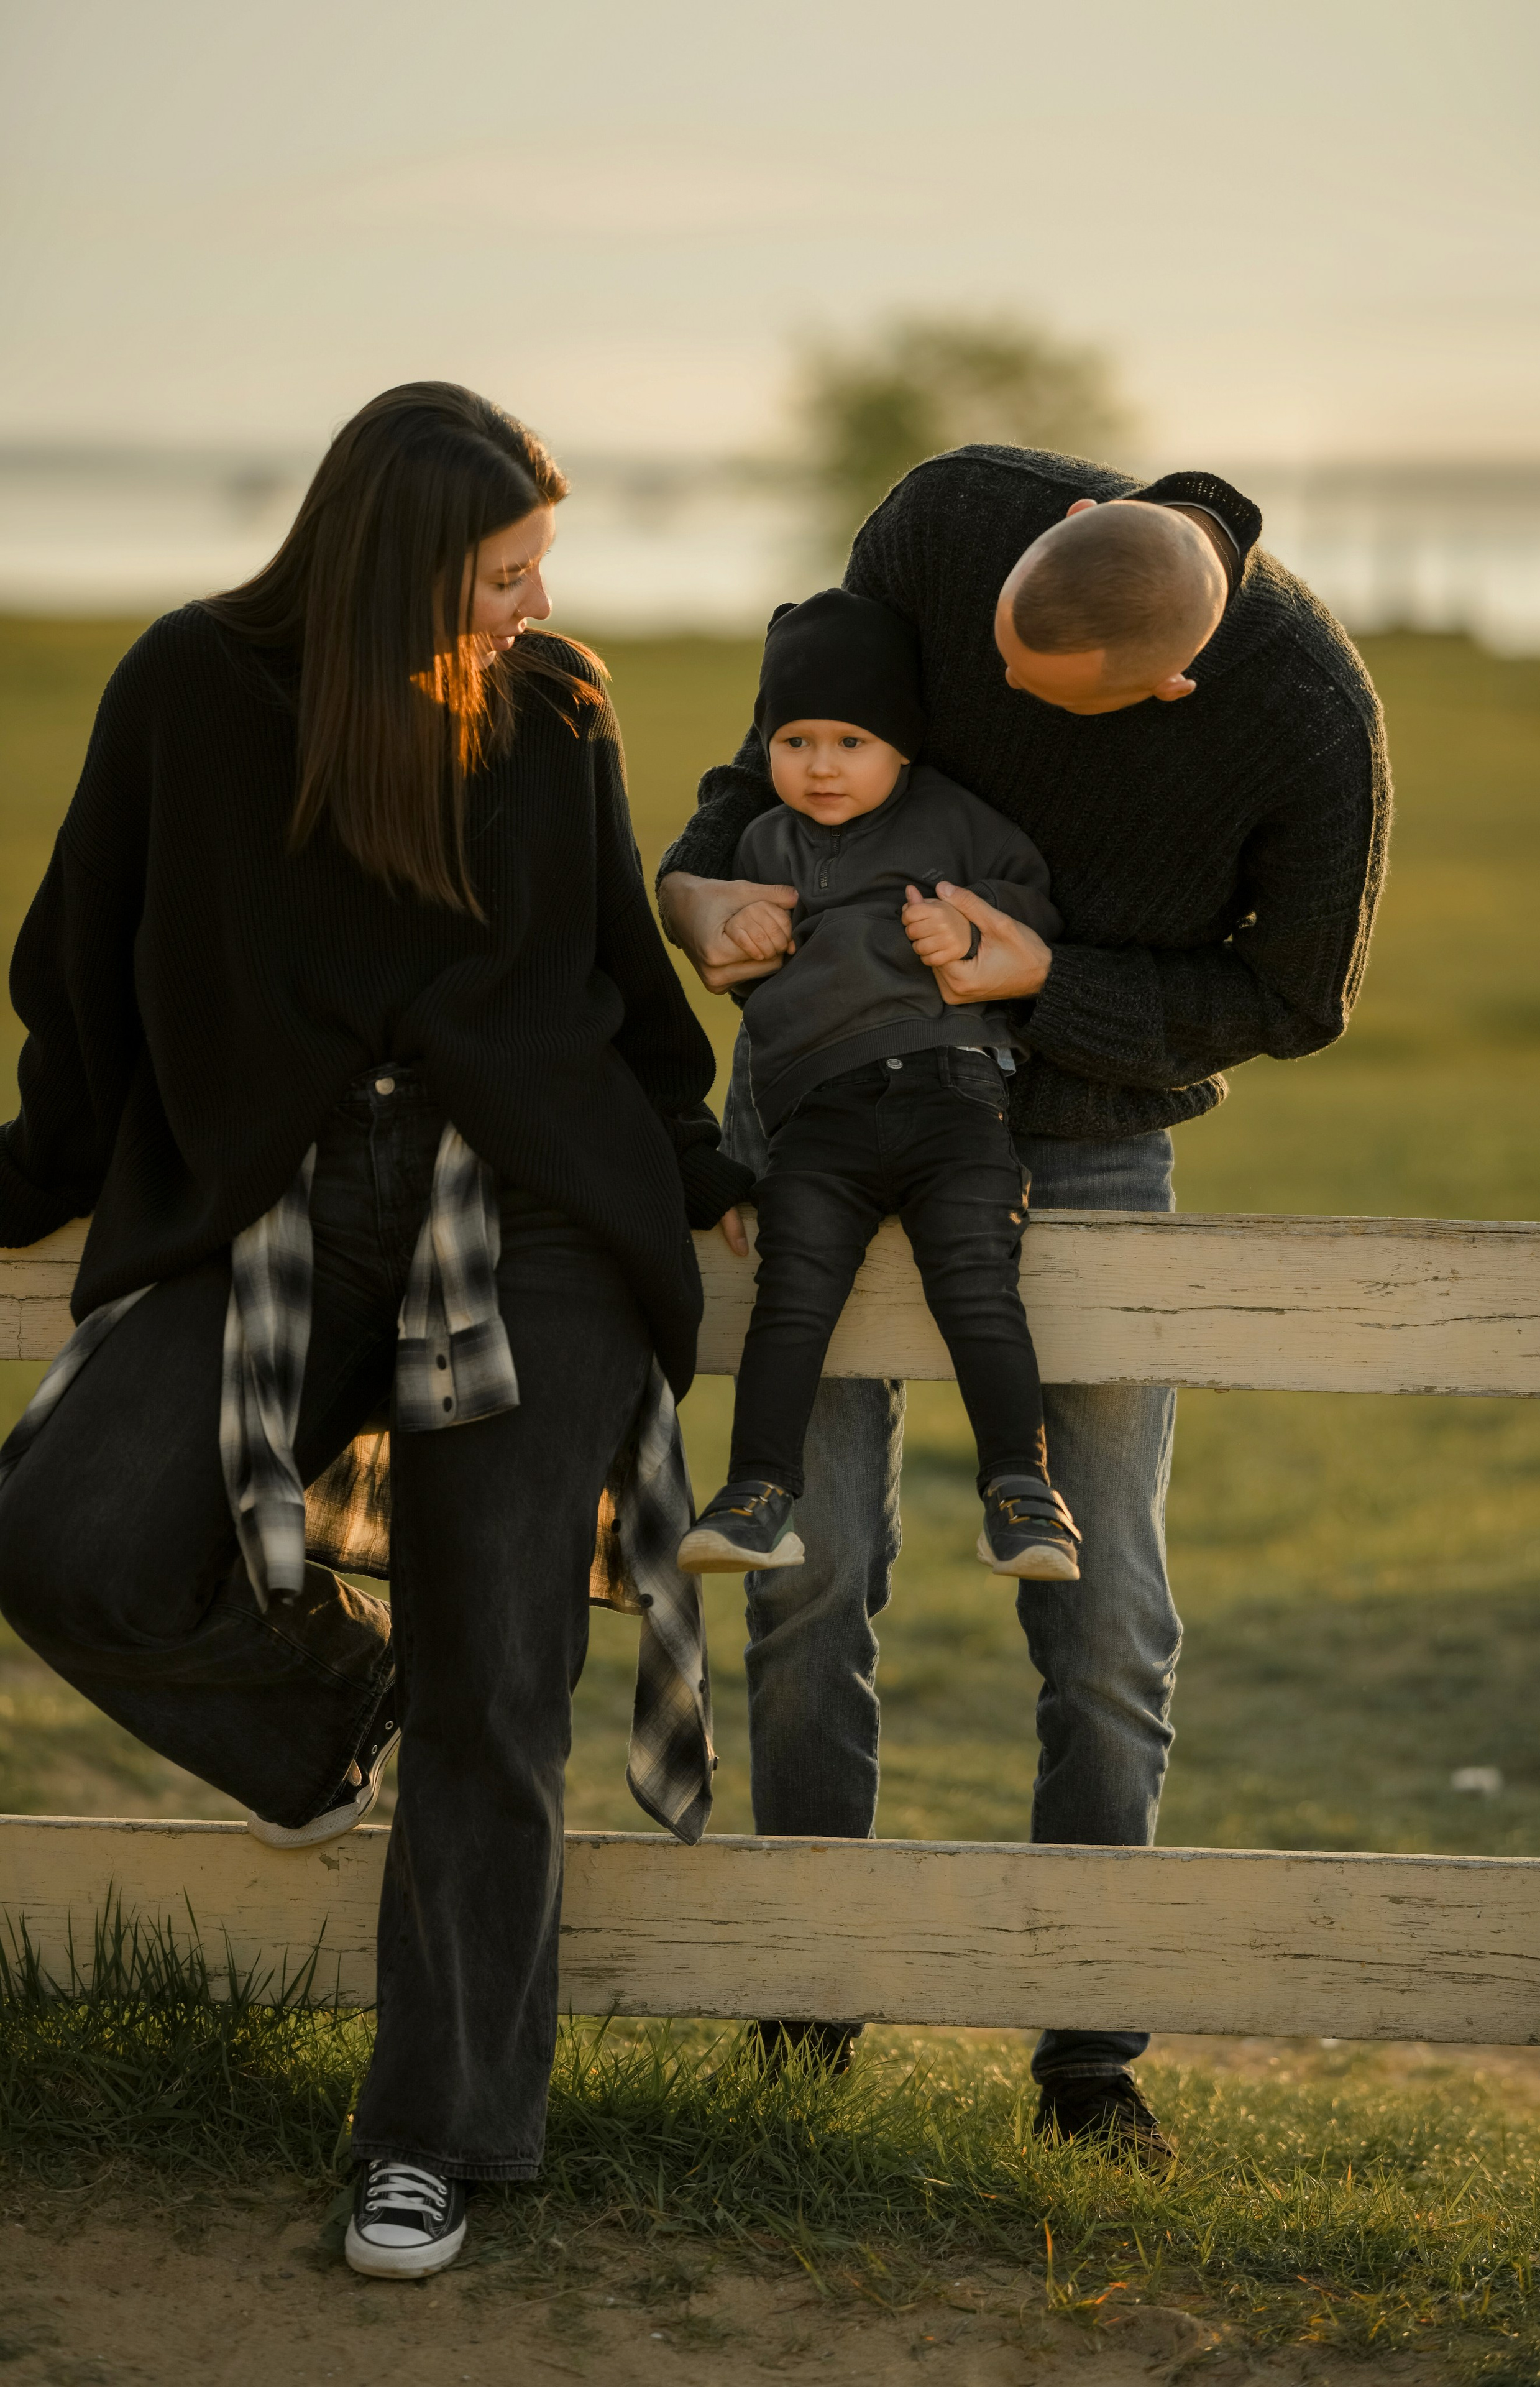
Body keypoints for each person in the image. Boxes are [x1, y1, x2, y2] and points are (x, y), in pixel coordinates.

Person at [0, 383, 751, 2276]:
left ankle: (433, 2142)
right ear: (396, 561)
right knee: (64, 1534)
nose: (532, 601)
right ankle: (341, 1708)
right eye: (505, 573)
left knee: (506, 1678)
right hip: (279, 1210)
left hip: (537, 1215)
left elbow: (611, 983)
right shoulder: (192, 689)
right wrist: (40, 1166)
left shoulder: (555, 704)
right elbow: (85, 977)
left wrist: (695, 1159)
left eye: (540, 567)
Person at [659, 449, 1391, 2156]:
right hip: (824, 1113)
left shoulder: (1307, 721)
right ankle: (804, 2004)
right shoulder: (946, 519)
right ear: (1048, 533)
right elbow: (782, 747)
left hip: (1083, 1155)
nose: (991, 705)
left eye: (1049, 702)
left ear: (1178, 682)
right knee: (811, 1565)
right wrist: (699, 887)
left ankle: (1087, 2047)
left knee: (1108, 1610)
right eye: (988, 663)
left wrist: (1051, 977)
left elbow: (1296, 996)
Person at [677, 586, 1078, 1585]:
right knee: (793, 1290)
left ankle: (1022, 1492)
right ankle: (758, 1494)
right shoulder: (765, 842)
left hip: (953, 1096)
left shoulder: (957, 821)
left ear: (902, 744)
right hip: (821, 1115)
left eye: (851, 741)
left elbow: (1034, 909)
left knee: (978, 1281)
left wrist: (972, 927)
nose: (820, 766)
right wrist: (754, 931)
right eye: (795, 739)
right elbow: (742, 948)